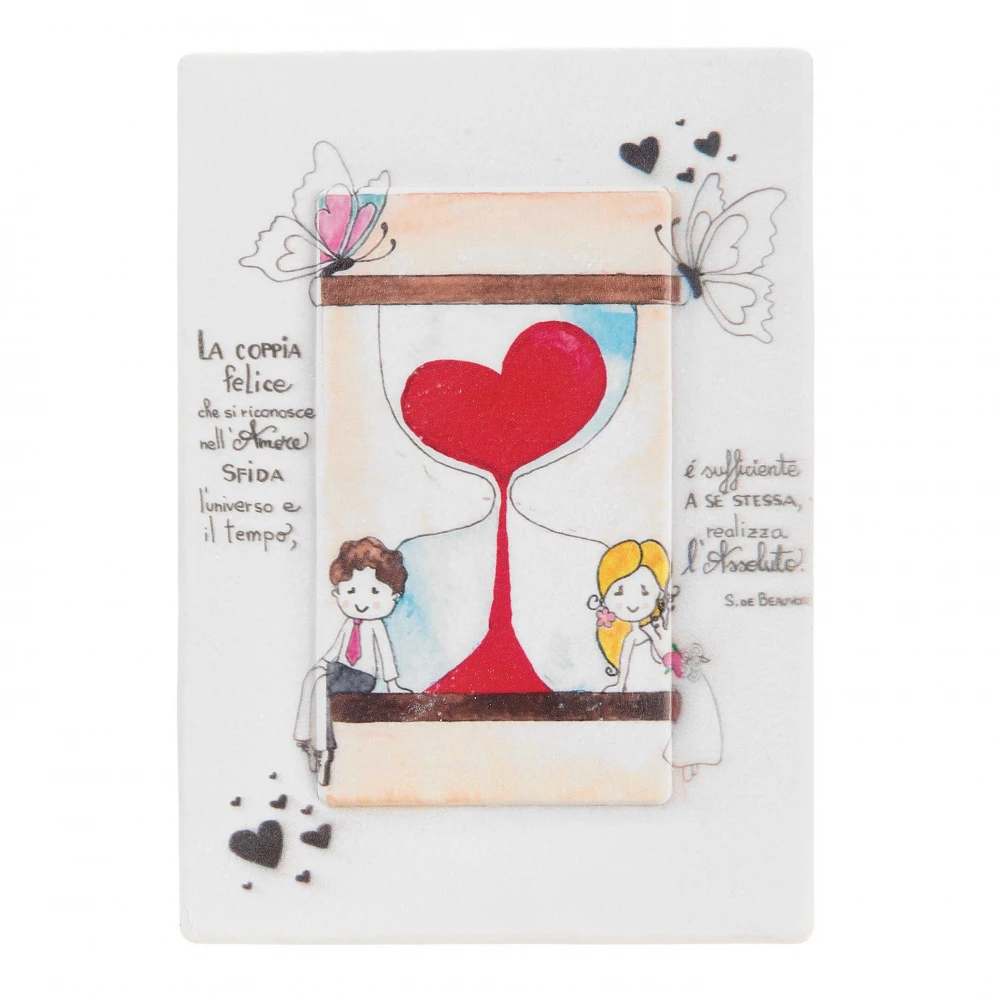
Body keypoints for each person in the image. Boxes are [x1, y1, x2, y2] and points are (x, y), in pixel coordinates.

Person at [294, 537, 411, 785]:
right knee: (314, 676)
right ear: (338, 592)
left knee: (321, 682)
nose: (361, 602)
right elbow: (336, 649)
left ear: (394, 596)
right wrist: (321, 664)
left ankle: (323, 748)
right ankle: (307, 739)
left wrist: (393, 684)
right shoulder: (349, 623)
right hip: (341, 669)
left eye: (374, 592)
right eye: (351, 591)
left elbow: (385, 655)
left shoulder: (375, 626)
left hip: (362, 677)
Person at [593, 539, 673, 692]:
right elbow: (624, 663)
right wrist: (619, 685)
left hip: (657, 681)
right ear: (605, 598)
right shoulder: (631, 637)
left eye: (644, 592)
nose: (632, 603)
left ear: (659, 593)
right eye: (619, 592)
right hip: (637, 686)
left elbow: (662, 653)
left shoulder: (652, 630)